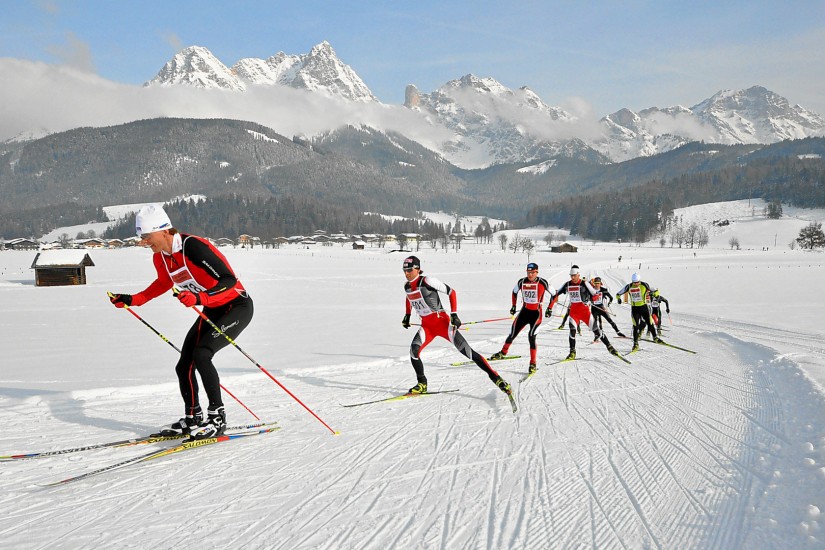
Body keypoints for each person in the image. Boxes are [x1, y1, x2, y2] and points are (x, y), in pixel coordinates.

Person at [109, 204, 253, 440]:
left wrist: (200, 297)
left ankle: (217, 417)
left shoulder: (194, 247)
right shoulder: (161, 257)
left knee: (202, 354)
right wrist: (133, 300)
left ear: (164, 230)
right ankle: (192, 418)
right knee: (183, 365)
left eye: (147, 236)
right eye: (141, 237)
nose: (144, 242)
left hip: (236, 306)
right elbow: (163, 283)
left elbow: (229, 280)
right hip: (212, 309)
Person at [401, 256, 512, 397]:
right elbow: (409, 297)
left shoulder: (427, 281)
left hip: (443, 324)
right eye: (404, 270)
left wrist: (454, 314)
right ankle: (422, 384)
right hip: (427, 327)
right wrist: (407, 315)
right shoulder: (407, 286)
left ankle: (497, 379)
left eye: (409, 270)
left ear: (417, 269)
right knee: (413, 352)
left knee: (469, 353)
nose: (406, 273)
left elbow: (451, 292)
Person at [489, 262, 555, 374]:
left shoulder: (543, 282)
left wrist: (550, 308)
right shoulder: (522, 281)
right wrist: (514, 306)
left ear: (536, 272)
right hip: (524, 312)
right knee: (512, 333)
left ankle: (533, 363)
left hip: (536, 314)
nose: (530, 275)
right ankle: (503, 352)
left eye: (532, 273)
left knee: (531, 337)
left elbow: (554, 294)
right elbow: (514, 292)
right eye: (528, 272)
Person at [546, 265, 619, 360]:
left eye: (574, 275)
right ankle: (572, 352)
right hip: (574, 313)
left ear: (578, 275)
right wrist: (549, 308)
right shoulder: (567, 284)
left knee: (597, 331)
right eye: (571, 275)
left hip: (585, 313)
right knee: (572, 331)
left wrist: (590, 299)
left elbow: (596, 294)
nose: (572, 277)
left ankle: (610, 347)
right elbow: (556, 295)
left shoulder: (584, 283)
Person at [616, 273, 661, 352]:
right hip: (635, 309)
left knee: (650, 323)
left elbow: (656, 291)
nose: (636, 284)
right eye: (634, 282)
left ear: (639, 281)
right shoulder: (629, 286)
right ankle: (635, 344)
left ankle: (655, 338)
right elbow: (618, 294)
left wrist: (654, 294)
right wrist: (618, 299)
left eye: (637, 282)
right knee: (635, 326)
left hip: (644, 307)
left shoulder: (644, 285)